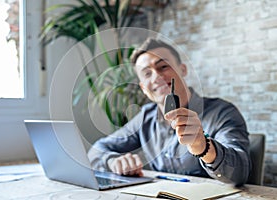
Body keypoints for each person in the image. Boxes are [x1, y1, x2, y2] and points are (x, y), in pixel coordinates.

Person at [88, 37, 251, 186]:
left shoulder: (222, 112)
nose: (157, 76)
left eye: (163, 66)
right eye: (147, 73)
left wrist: (204, 147)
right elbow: (96, 150)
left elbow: (240, 173)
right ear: (144, 88)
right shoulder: (146, 116)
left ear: (183, 69)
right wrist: (112, 161)